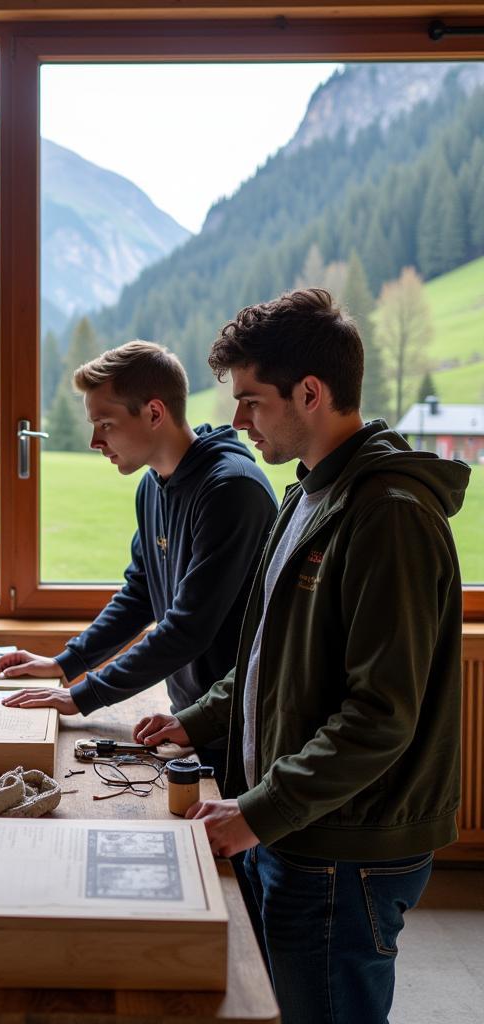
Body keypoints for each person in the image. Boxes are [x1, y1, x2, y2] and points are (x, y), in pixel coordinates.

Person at [136, 289, 469, 1024]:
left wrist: (261, 810)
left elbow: (380, 716)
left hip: (341, 847)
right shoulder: (310, 496)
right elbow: (265, 661)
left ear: (311, 393)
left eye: (252, 401)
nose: (237, 421)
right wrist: (193, 720)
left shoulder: (387, 516)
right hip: (293, 826)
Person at [0, 340, 277, 785]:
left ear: (153, 413)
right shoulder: (153, 486)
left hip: (239, 727)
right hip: (189, 720)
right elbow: (140, 593)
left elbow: (187, 630)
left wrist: (82, 696)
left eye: (105, 423)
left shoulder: (231, 492)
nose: (94, 441)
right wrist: (67, 663)